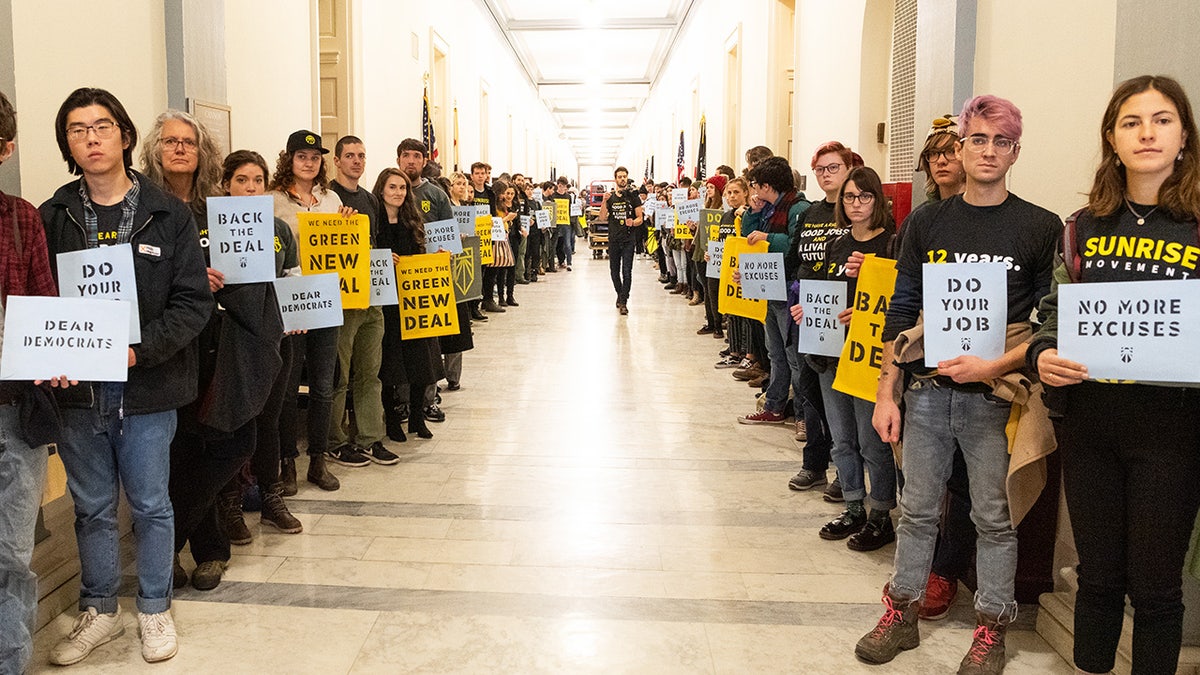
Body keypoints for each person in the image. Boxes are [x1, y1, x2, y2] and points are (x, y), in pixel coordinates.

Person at [856, 95, 1061, 673]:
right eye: (978, 139)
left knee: (993, 517)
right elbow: (903, 310)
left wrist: (994, 366)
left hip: (995, 402)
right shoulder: (927, 221)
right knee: (917, 510)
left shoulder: (1041, 227)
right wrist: (885, 392)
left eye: (1001, 141)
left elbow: (1050, 322)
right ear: (960, 148)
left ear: (1016, 151)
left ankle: (992, 625)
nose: (988, 151)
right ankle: (902, 612)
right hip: (925, 396)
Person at [1029, 75, 1200, 675]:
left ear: (1184, 136)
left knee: (1156, 586)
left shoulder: (1199, 225)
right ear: (1112, 137)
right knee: (1097, 577)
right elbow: (1052, 319)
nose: (1147, 133)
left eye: (1161, 120)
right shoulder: (1080, 227)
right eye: (1132, 122)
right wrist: (1043, 358)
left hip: (1174, 433)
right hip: (1092, 426)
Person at [41, 87, 213, 665]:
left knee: (150, 503)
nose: (91, 138)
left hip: (147, 387)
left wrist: (140, 352)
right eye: (77, 129)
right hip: (78, 393)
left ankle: (155, 608)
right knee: (89, 506)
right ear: (67, 143)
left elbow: (193, 304)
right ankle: (99, 610)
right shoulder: (53, 215)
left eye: (102, 126)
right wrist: (52, 353)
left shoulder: (167, 215)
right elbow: (37, 301)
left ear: (125, 135)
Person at [141, 111, 283, 594]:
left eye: (189, 142)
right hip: (170, 346)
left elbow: (253, 273)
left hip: (224, 344)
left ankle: (165, 541)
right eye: (170, 142)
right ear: (154, 150)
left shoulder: (220, 210)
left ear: (203, 154)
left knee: (233, 441)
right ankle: (209, 552)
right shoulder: (143, 209)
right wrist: (186, 283)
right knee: (182, 448)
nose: (180, 149)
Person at [790, 166, 898, 551]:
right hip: (832, 352)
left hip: (869, 358)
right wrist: (807, 308)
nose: (855, 204)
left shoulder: (891, 244)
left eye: (864, 197)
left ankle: (881, 512)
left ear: (878, 200)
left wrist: (863, 311)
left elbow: (898, 304)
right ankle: (853, 505)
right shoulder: (837, 244)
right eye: (850, 197)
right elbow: (827, 292)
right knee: (842, 439)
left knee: (872, 442)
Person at [0, 89, 67, 674]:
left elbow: (46, 304)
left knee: (11, 556)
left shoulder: (22, 220)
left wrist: (62, 349)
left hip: (11, 414)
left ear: (7, 148)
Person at [215, 149, 304, 544]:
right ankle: (230, 503)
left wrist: (299, 317)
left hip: (275, 339)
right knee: (235, 422)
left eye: (256, 181)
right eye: (241, 180)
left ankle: (271, 498)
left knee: (269, 420)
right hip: (230, 339)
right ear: (226, 185)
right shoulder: (210, 228)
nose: (250, 188)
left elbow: (292, 278)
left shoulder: (279, 230)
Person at [270, 129, 352, 491]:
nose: (309, 162)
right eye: (302, 156)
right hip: (289, 301)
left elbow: (344, 248)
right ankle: (287, 462)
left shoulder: (331, 199)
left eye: (315, 157)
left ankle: (318, 461)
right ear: (288, 159)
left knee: (322, 384)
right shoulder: (271, 201)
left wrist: (348, 227)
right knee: (287, 386)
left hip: (326, 299)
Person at [325, 135, 395, 469]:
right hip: (340, 300)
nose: (356, 161)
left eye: (362, 156)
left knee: (370, 371)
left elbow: (373, 243)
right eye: (350, 155)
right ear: (336, 160)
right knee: (340, 373)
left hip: (371, 296)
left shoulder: (370, 200)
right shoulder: (326, 198)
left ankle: (369, 437)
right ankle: (335, 440)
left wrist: (386, 258)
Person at [735, 156, 810, 433]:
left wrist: (768, 239)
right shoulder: (767, 210)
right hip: (771, 288)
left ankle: (803, 415)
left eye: (755, 184)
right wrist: (754, 213)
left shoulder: (798, 209)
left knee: (794, 357)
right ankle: (775, 405)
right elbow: (748, 237)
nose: (753, 189)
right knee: (775, 352)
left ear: (767, 185)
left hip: (790, 290)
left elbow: (796, 246)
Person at [374, 168, 437, 440]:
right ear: (382, 190)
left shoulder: (412, 220)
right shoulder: (373, 222)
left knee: (420, 358)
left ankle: (417, 418)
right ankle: (391, 420)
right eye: (392, 187)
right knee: (390, 361)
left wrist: (437, 259)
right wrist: (383, 258)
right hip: (386, 299)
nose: (398, 192)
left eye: (402, 188)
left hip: (413, 298)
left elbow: (421, 253)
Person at [598, 165, 644, 314]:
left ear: (627, 177)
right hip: (614, 240)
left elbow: (640, 218)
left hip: (628, 240)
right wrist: (604, 201)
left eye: (625, 176)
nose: (622, 179)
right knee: (614, 271)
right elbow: (602, 217)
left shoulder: (633, 197)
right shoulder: (610, 197)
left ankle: (624, 301)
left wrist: (633, 222)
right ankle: (620, 293)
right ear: (615, 179)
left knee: (627, 271)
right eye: (620, 176)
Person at [482, 179, 518, 311]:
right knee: (494, 270)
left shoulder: (502, 205)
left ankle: (504, 296)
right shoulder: (494, 205)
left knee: (502, 267)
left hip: (504, 236)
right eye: (503, 192)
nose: (505, 196)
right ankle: (492, 298)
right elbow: (493, 221)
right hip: (495, 239)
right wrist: (506, 219)